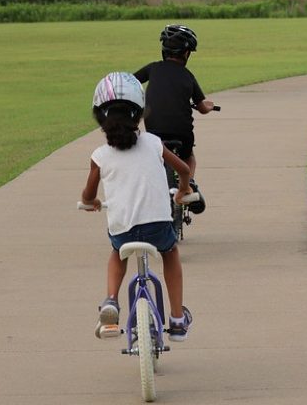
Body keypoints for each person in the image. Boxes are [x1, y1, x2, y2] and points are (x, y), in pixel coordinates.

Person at [80, 71, 194, 342]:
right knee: (170, 253)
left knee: (117, 252)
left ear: (100, 117)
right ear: (140, 113)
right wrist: (183, 190)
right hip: (158, 228)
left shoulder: (100, 155)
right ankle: (177, 318)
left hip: (123, 230)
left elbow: (88, 194)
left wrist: (91, 202)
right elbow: (184, 169)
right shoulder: (154, 143)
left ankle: (110, 301)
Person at [134, 24, 215, 213]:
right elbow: (202, 107)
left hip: (154, 129)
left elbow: (131, 80)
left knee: (155, 155)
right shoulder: (188, 76)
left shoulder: (153, 69)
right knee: (189, 157)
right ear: (186, 53)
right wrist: (209, 106)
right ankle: (189, 186)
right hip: (182, 131)